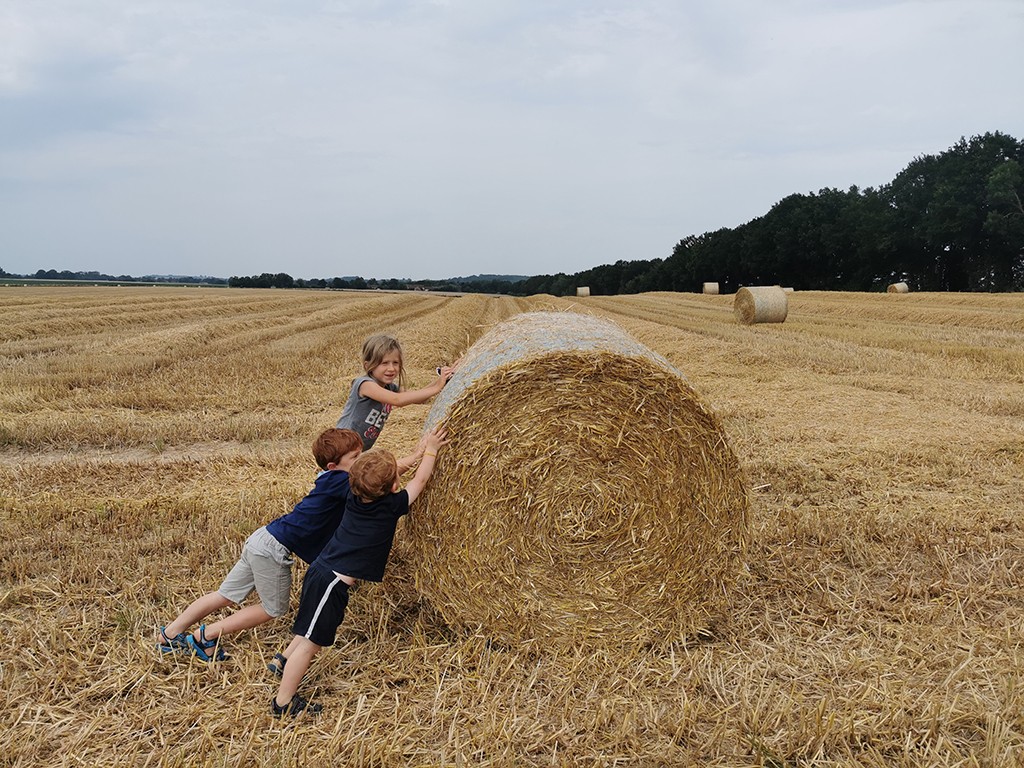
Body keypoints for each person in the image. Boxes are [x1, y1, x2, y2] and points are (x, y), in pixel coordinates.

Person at [156, 428, 426, 663]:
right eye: (355, 458)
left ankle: (169, 634)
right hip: (273, 549)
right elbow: (376, 477)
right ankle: (206, 635)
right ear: (333, 466)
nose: (360, 463)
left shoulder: (331, 479)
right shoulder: (341, 481)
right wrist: (416, 458)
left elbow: (374, 475)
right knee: (273, 610)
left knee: (224, 594)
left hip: (263, 539)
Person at [270, 426, 448, 718]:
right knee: (312, 643)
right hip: (332, 582)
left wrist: (423, 451)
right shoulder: (391, 506)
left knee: (308, 629)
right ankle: (283, 702)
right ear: (392, 488)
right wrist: (430, 449)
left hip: (324, 572)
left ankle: (282, 661)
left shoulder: (353, 497)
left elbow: (413, 479)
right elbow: (422, 479)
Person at [337, 334, 455, 450]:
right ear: (368, 365)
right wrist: (436, 388)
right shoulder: (364, 384)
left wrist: (441, 381)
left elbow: (419, 398)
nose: (391, 368)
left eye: (395, 363)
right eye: (384, 363)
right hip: (342, 445)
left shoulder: (389, 387)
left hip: (356, 449)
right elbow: (397, 400)